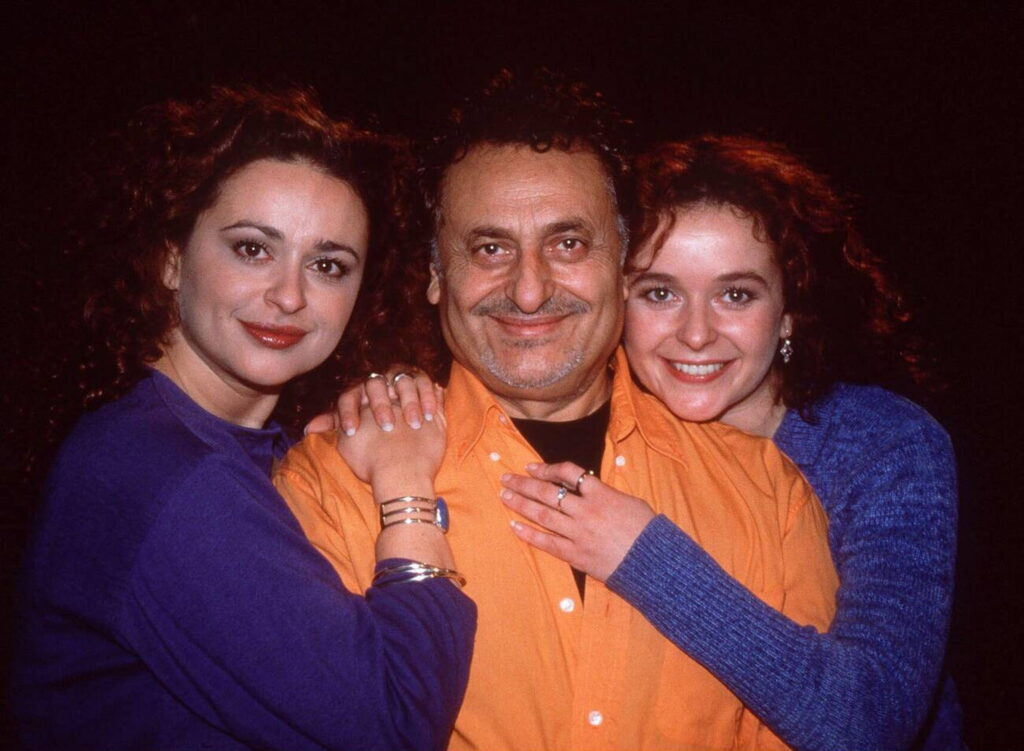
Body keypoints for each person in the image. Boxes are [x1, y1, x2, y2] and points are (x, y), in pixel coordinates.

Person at [276, 70, 837, 751]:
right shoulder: (333, 484)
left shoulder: (769, 493)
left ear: (623, 265)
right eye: (490, 249)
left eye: (568, 243)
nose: (530, 290)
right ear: (436, 275)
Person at [10, 86, 475, 751]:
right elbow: (394, 720)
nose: (289, 295)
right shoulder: (160, 473)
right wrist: (405, 485)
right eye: (253, 249)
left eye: (328, 265)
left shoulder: (221, 447)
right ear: (171, 259)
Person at [494, 136, 961, 751]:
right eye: (660, 292)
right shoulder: (600, 418)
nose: (696, 333)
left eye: (736, 294)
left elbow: (869, 722)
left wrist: (641, 556)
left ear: (789, 312)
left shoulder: (884, 445)